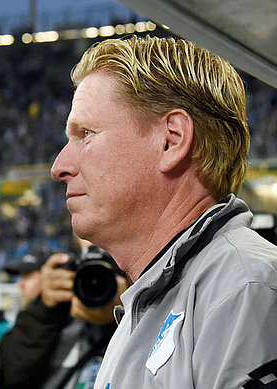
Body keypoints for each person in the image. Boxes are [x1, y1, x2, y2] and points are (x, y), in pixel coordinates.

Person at [51, 35, 277, 388]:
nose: (60, 166)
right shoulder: (141, 310)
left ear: (171, 140)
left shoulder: (245, 287)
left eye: (87, 134)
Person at [0, 250, 129, 389]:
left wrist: (121, 316)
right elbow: (11, 377)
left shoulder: (129, 307)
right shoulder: (46, 316)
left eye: (28, 276)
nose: (20, 284)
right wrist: (44, 309)